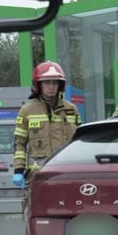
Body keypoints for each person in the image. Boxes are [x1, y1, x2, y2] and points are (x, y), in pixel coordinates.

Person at [12, 60, 82, 189]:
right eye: (47, 82)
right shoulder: (27, 111)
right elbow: (19, 144)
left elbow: (80, 142)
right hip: (38, 178)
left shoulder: (71, 109)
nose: (51, 86)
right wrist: (18, 170)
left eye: (55, 82)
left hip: (67, 176)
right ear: (39, 85)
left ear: (60, 85)